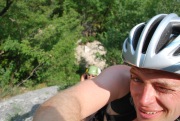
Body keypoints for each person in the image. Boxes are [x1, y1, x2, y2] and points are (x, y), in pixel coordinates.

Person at [33, 13, 180, 121]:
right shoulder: (122, 76)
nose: (143, 100)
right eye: (137, 79)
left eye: (163, 88)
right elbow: (67, 102)